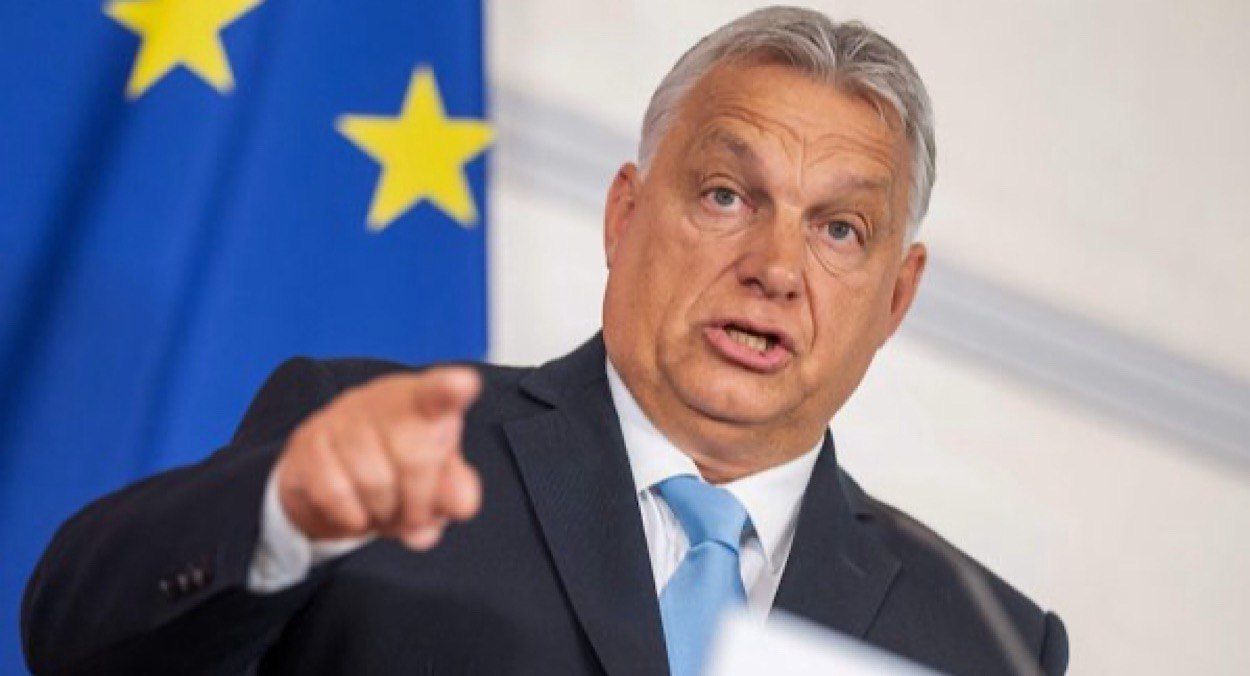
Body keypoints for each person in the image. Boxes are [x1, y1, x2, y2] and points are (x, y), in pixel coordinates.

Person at [22, 7, 1068, 675]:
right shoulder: (378, 452)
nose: (776, 267)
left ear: (895, 298)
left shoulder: (984, 641)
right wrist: (281, 516)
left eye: (839, 230)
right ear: (624, 215)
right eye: (724, 194)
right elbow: (76, 642)